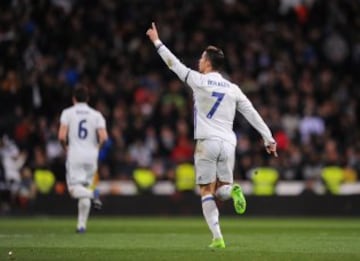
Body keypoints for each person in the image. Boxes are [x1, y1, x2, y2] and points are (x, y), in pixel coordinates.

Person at [146, 23, 278, 249]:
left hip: (206, 143)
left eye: (201, 58)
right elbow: (252, 114)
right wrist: (269, 139)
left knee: (207, 191)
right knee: (222, 189)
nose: (198, 61)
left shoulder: (198, 80)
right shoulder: (233, 88)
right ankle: (233, 189)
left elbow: (173, 65)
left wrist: (157, 42)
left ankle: (217, 237)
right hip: (228, 143)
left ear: (207, 63)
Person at [58, 86, 108, 233]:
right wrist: (97, 149)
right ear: (88, 99)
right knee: (84, 187)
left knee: (74, 190)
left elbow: (61, 136)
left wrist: (65, 147)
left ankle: (94, 194)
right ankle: (81, 225)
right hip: (92, 156)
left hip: (75, 154)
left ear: (74, 98)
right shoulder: (96, 115)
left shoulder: (67, 113)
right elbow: (104, 137)